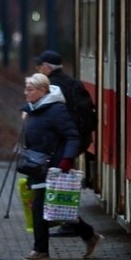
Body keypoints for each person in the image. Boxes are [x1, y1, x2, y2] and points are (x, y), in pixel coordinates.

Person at [20, 73, 103, 260]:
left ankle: (40, 250)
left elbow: (72, 137)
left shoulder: (56, 111)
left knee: (41, 208)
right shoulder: (34, 109)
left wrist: (66, 159)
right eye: (26, 89)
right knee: (57, 209)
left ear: (42, 91)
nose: (26, 93)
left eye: (30, 89)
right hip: (36, 166)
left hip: (53, 167)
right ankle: (90, 235)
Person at [35, 50, 97, 236]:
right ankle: (65, 220)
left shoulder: (52, 87)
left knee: (54, 183)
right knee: (60, 182)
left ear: (47, 67)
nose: (38, 69)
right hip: (77, 140)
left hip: (64, 143)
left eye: (39, 66)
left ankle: (69, 223)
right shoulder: (73, 83)